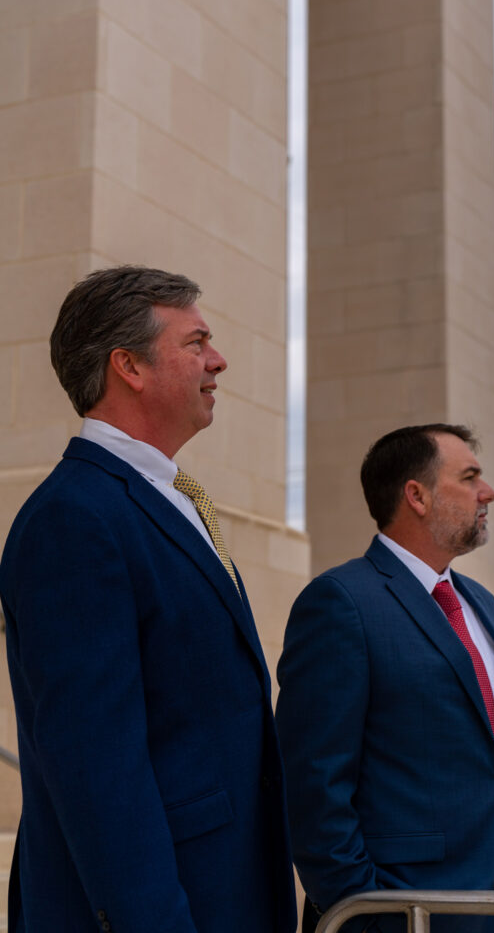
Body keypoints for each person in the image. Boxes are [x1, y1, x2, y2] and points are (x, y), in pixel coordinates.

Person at [0, 266, 297, 933]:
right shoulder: (75, 518)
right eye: (196, 342)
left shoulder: (171, 499)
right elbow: (96, 765)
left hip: (225, 890)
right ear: (129, 366)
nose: (217, 360)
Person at [275, 424, 494, 933]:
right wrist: (363, 909)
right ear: (417, 495)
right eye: (470, 476)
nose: (488, 491)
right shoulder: (341, 603)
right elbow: (313, 786)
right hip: (408, 915)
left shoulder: (484, 605)